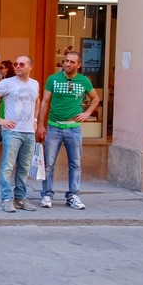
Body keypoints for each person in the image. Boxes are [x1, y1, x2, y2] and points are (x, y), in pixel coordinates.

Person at [37, 51, 100, 210]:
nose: (67, 64)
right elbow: (44, 102)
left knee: (75, 164)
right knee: (48, 164)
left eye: (72, 62)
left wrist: (87, 113)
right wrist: (40, 125)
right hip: (54, 127)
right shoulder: (53, 79)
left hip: (73, 129)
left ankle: (73, 195)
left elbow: (95, 98)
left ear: (79, 65)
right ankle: (46, 194)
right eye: (66, 61)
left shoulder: (84, 81)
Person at [0, 55, 40, 213]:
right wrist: (0, 120)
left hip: (29, 132)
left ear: (30, 67)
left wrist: (35, 119)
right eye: (16, 64)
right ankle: (6, 198)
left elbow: (37, 100)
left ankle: (20, 198)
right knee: (7, 166)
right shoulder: (7, 83)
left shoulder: (35, 84)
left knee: (24, 167)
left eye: (22, 64)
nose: (18, 66)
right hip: (12, 132)